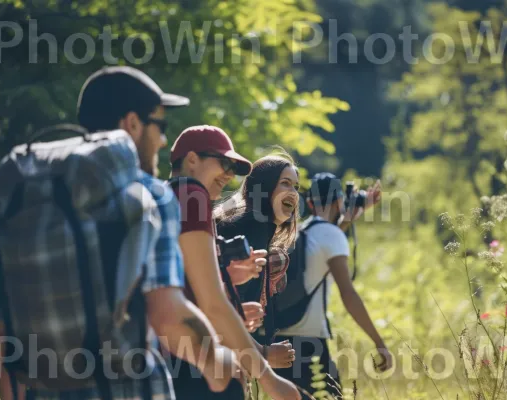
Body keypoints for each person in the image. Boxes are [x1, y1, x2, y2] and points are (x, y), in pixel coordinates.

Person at [0, 66, 239, 400]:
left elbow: (2, 335)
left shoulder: (24, 200)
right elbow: (169, 317)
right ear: (133, 123)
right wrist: (217, 363)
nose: (164, 140)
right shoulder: (148, 196)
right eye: (159, 126)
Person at [168, 126, 301, 400]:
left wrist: (230, 286)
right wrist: (265, 367)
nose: (229, 174)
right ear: (192, 159)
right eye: (223, 162)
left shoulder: (177, 200)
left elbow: (192, 287)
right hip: (199, 368)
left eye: (296, 187)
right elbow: (212, 306)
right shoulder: (243, 220)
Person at [273, 172, 393, 399]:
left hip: (278, 343)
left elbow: (323, 247)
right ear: (340, 201)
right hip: (310, 345)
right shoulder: (331, 236)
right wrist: (379, 342)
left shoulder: (299, 231)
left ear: (308, 202)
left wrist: (347, 220)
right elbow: (347, 293)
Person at [215, 151, 301, 350]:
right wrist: (264, 355)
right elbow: (231, 305)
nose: (293, 193)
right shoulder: (254, 225)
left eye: (296, 187)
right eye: (285, 183)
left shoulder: (252, 222)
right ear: (264, 187)